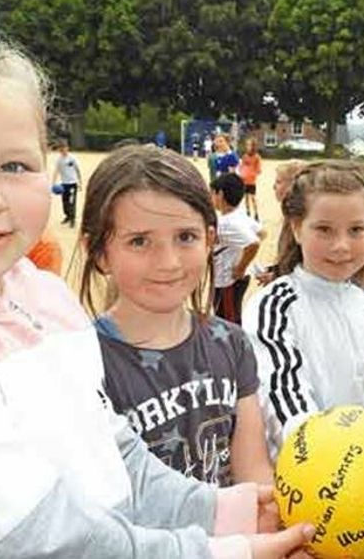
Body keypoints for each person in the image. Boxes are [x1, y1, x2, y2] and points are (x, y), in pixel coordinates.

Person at [0, 24, 313, 559]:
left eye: (13, 165)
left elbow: (115, 461)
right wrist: (224, 551)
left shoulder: (38, 294)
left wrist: (232, 512)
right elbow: (38, 545)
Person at [77, 146, 274, 488]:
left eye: (185, 237)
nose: (168, 262)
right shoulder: (83, 367)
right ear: (98, 252)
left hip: (237, 538)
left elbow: (254, 475)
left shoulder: (232, 345)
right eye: (139, 241)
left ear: (209, 239)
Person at [241, 161, 364, 459]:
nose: (341, 246)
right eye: (324, 229)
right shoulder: (274, 307)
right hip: (310, 484)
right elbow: (284, 400)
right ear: (297, 227)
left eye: (356, 230)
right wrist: (329, 464)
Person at [211, 172, 266, 325]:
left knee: (228, 321)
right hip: (235, 280)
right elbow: (262, 232)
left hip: (228, 280)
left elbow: (254, 243)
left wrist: (240, 266)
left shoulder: (226, 224)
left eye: (212, 194)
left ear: (220, 194)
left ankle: (234, 348)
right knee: (230, 315)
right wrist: (238, 251)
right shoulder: (239, 216)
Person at [254, 159, 306, 286]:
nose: (274, 187)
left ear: (293, 186)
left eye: (278, 182)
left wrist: (276, 276)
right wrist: (274, 270)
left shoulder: (299, 219)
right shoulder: (289, 215)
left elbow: (301, 261)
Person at [52, 138, 82, 228]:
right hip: (64, 184)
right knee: (65, 202)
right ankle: (68, 216)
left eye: (64, 148)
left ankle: (73, 220)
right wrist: (53, 182)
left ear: (67, 148)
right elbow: (56, 171)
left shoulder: (72, 158)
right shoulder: (59, 160)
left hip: (73, 183)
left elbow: (77, 170)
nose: (62, 151)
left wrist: (80, 182)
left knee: (72, 202)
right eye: (60, 149)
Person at [238, 138, 263, 220]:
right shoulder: (245, 156)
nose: (247, 147)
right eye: (247, 145)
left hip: (251, 181)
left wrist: (253, 172)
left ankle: (256, 213)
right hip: (244, 180)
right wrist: (241, 173)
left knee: (253, 197)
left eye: (249, 145)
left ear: (253, 146)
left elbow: (259, 169)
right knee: (246, 198)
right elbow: (241, 166)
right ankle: (248, 212)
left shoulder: (257, 157)